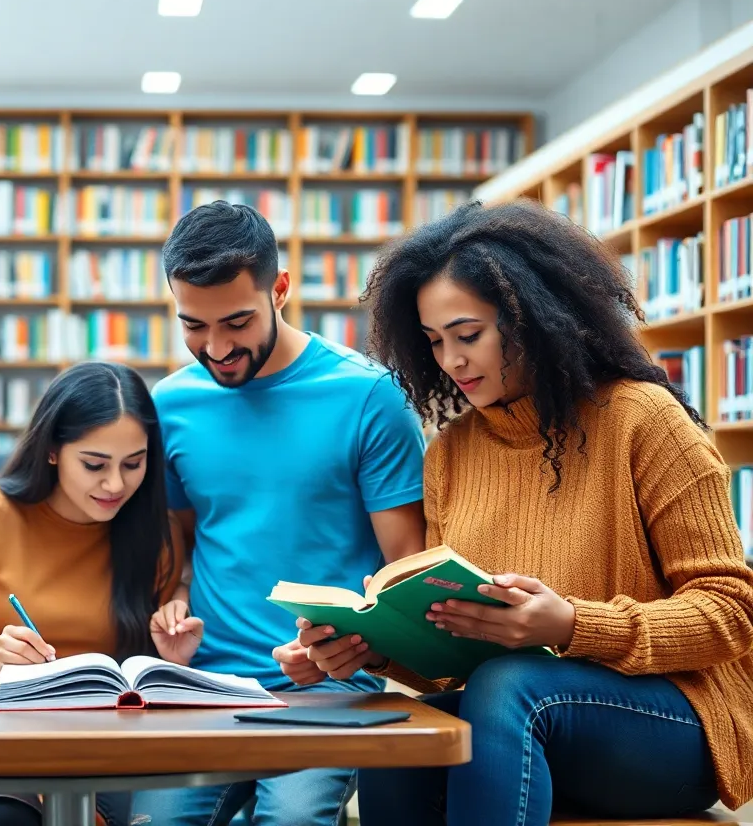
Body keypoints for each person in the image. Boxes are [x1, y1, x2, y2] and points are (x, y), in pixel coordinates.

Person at [289, 199, 753, 825]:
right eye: (433, 342)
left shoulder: (645, 421)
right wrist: (370, 649)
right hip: (524, 717)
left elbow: (731, 613)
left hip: (675, 723)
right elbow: (449, 662)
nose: (451, 361)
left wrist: (571, 626)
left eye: (468, 335)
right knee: (399, 734)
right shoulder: (452, 453)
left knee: (509, 686)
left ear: (534, 318)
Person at [131, 201, 429, 826]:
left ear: (281, 290)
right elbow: (181, 545)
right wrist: (176, 603)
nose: (215, 348)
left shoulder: (370, 397)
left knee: (292, 821)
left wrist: (347, 647)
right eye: (193, 325)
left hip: (327, 683)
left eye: (236, 321)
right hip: (205, 687)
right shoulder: (171, 404)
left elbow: (407, 568)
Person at [0, 361, 189, 826]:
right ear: (53, 450)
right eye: (94, 464)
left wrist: (172, 661)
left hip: (105, 754)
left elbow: (148, 684)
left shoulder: (155, 534)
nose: (115, 484)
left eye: (133, 464)